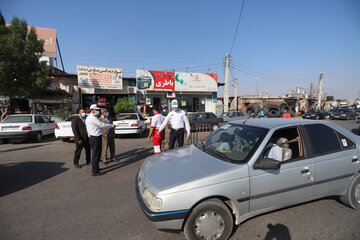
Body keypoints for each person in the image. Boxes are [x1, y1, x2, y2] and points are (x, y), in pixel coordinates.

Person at [86, 104, 115, 176]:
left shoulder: (93, 117)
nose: (97, 111)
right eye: (96, 110)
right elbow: (101, 124)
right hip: (94, 137)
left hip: (95, 137)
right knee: (95, 155)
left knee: (97, 154)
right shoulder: (92, 118)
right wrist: (111, 125)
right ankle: (95, 171)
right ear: (92, 110)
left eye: (97, 110)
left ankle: (96, 168)